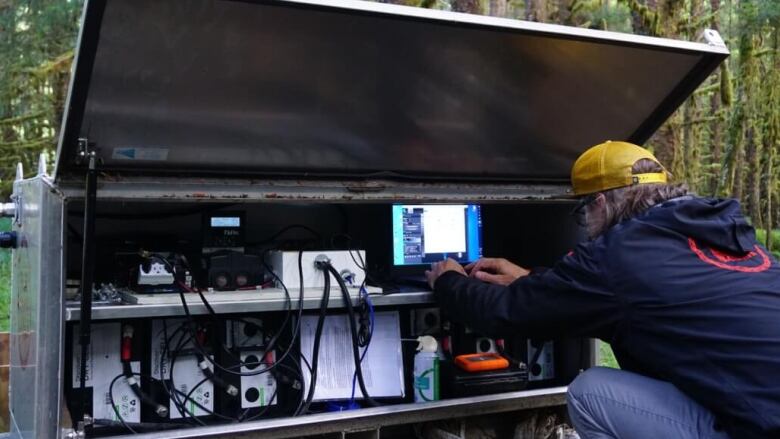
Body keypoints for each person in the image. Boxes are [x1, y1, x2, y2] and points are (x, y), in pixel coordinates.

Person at [425, 140, 780, 439]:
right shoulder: (729, 241)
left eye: (583, 213)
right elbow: (630, 292)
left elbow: (508, 314)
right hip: (758, 407)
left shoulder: (618, 255)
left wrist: (448, 280)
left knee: (588, 393)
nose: (587, 226)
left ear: (600, 202)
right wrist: (531, 278)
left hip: (754, 427)